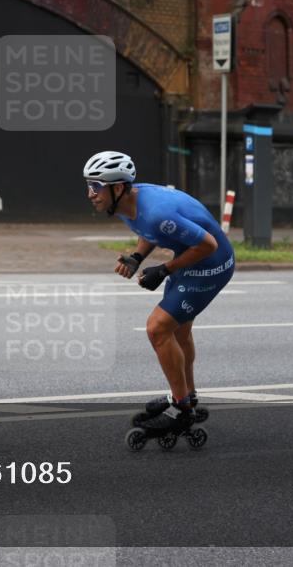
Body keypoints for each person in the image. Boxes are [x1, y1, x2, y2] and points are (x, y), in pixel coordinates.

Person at [83, 151, 235, 432]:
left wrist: (165, 269)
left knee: (157, 328)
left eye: (96, 186)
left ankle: (180, 408)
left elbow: (209, 245)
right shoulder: (127, 204)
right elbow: (148, 231)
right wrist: (137, 258)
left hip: (212, 263)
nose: (90, 193)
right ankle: (187, 396)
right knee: (179, 331)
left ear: (117, 188)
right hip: (192, 256)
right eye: (88, 185)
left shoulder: (157, 212)